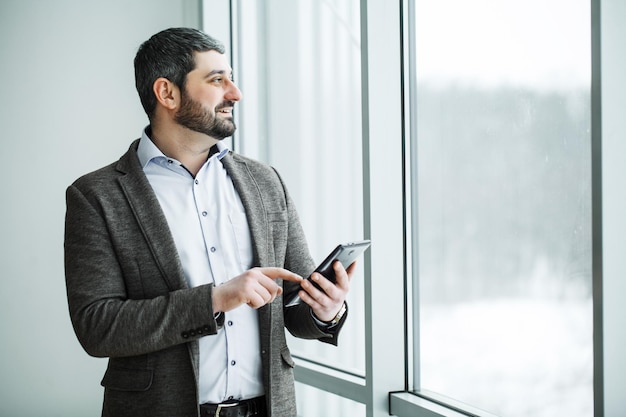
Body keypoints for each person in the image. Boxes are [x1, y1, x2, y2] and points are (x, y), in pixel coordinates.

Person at [64, 27, 354, 417]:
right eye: (217, 80)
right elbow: (98, 328)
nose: (235, 93)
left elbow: (294, 306)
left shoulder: (265, 181)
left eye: (231, 78)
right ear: (167, 93)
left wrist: (326, 310)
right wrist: (215, 299)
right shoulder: (97, 196)